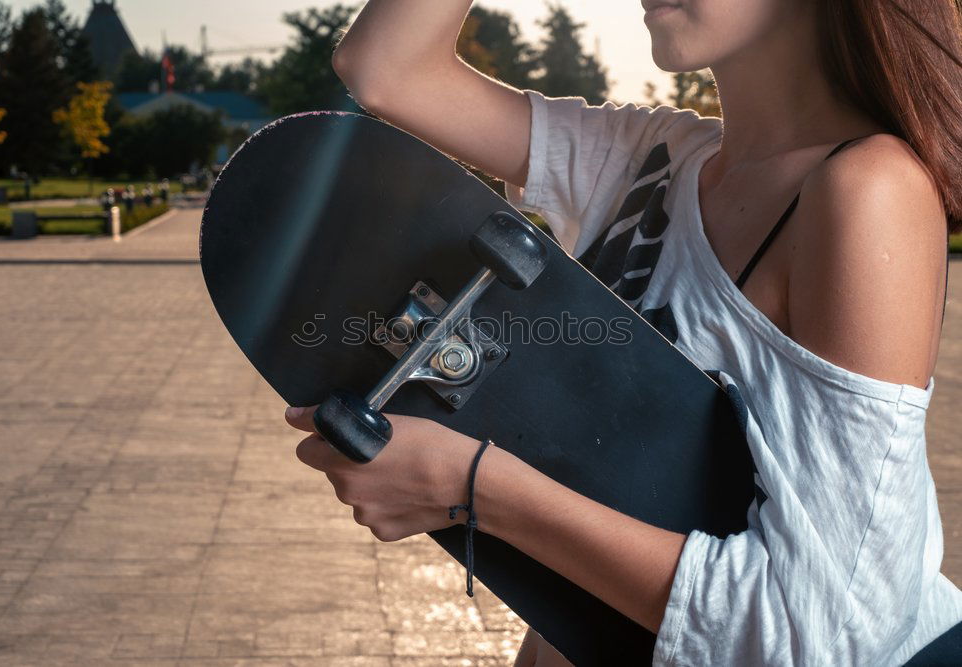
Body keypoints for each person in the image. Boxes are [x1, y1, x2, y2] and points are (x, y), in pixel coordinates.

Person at [284, 1, 962, 664]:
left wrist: (472, 487)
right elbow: (383, 68)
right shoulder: (651, 156)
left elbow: (820, 634)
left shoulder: (865, 190)